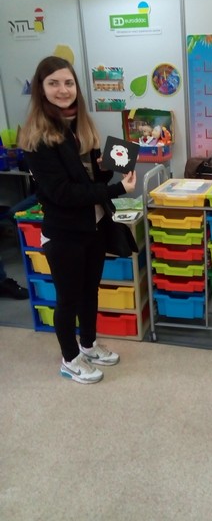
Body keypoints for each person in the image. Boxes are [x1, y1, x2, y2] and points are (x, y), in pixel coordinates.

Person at [19, 56, 137, 385]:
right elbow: (62, 193)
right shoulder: (38, 137)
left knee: (89, 292)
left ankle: (88, 344)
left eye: (68, 83)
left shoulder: (79, 127)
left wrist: (104, 167)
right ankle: (70, 359)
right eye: (53, 83)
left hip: (93, 226)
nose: (63, 90)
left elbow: (88, 181)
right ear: (41, 89)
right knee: (68, 299)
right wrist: (116, 189)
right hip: (64, 233)